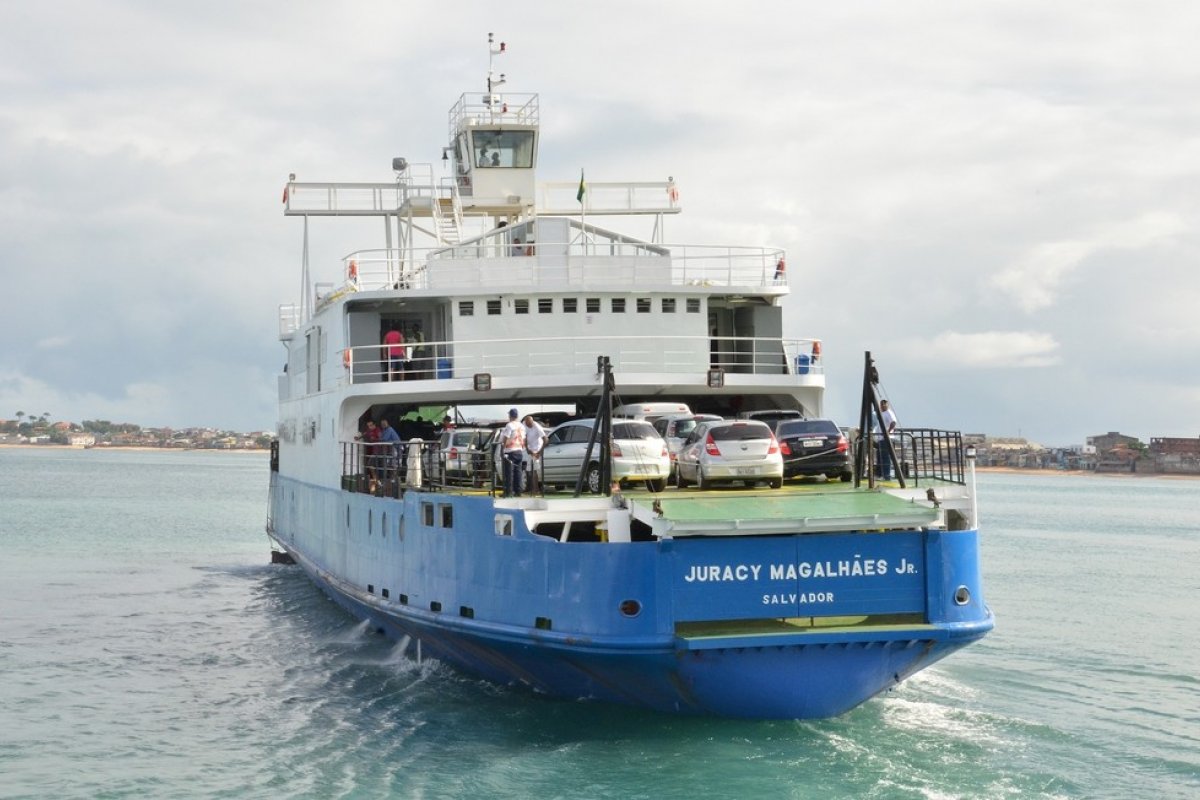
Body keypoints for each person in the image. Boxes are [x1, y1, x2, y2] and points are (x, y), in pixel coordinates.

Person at [500, 408, 526, 497]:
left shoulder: (509, 425)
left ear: (510, 416)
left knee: (509, 473)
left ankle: (508, 492)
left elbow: (505, 438)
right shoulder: (522, 426)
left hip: (510, 451)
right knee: (518, 472)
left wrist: (502, 447)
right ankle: (518, 491)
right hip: (519, 450)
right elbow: (524, 438)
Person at [523, 414, 547, 495]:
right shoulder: (524, 425)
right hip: (530, 449)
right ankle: (533, 489)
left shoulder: (537, 427)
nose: (528, 426)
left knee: (535, 470)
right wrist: (527, 449)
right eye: (527, 424)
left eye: (529, 424)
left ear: (532, 422)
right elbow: (524, 438)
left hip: (537, 448)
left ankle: (536, 489)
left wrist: (539, 452)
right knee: (529, 470)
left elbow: (546, 439)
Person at [877, 399, 899, 480]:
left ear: (887, 405)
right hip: (881, 438)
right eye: (882, 404)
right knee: (880, 457)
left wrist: (888, 431)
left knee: (886, 457)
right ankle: (880, 474)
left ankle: (886, 475)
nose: (883, 406)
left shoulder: (888, 413)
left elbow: (893, 422)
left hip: (887, 438)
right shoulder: (882, 413)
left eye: (884, 404)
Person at [379, 418, 402, 483]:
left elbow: (384, 439)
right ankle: (392, 479)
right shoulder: (385, 430)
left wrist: (378, 438)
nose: (383, 425)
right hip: (391, 449)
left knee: (394, 464)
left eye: (384, 424)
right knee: (390, 464)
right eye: (382, 424)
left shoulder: (389, 430)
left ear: (387, 423)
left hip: (396, 448)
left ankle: (394, 480)